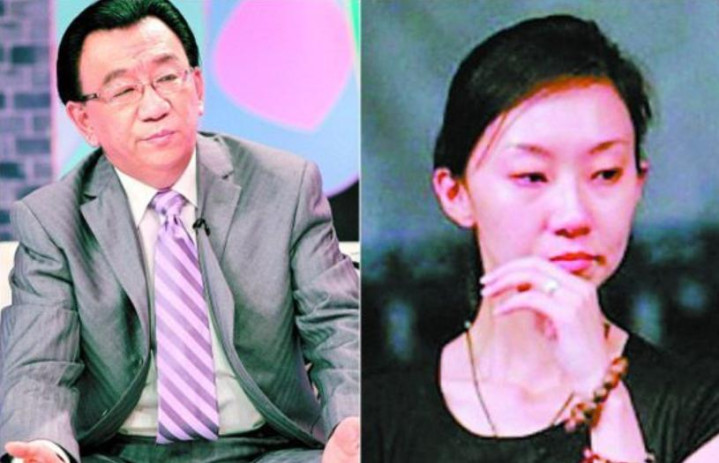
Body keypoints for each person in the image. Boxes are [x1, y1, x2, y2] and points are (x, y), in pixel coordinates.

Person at [0, 0, 359, 462]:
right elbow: (40, 365)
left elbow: (338, 327)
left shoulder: (285, 186)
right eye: (123, 91)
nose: (154, 107)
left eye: (168, 78)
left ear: (199, 87)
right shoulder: (51, 220)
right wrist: (45, 446)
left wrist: (352, 423)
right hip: (120, 453)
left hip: (269, 449)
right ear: (84, 120)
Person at [364, 14, 719, 462]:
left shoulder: (700, 413)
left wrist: (601, 389)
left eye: (605, 173)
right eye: (532, 176)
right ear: (455, 194)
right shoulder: (374, 419)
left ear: (638, 184)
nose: (573, 215)